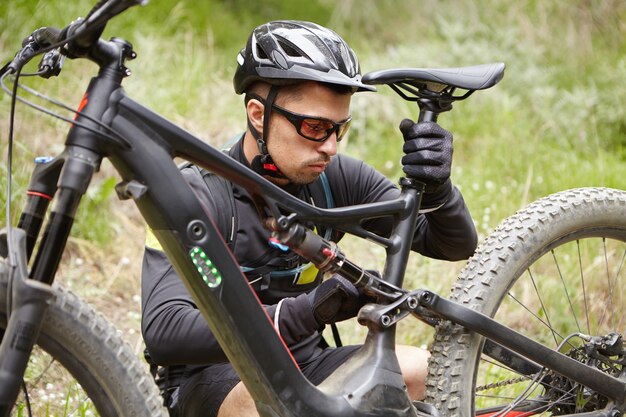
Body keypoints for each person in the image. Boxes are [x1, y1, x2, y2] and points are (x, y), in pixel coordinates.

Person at [141, 20, 477, 417]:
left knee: (425, 372)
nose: (331, 147)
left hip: (308, 365)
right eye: (315, 127)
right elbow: (164, 329)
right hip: (216, 378)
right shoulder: (197, 193)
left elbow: (451, 244)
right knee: (274, 404)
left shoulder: (335, 179)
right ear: (256, 113)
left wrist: (438, 190)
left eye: (340, 129)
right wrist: (308, 311)